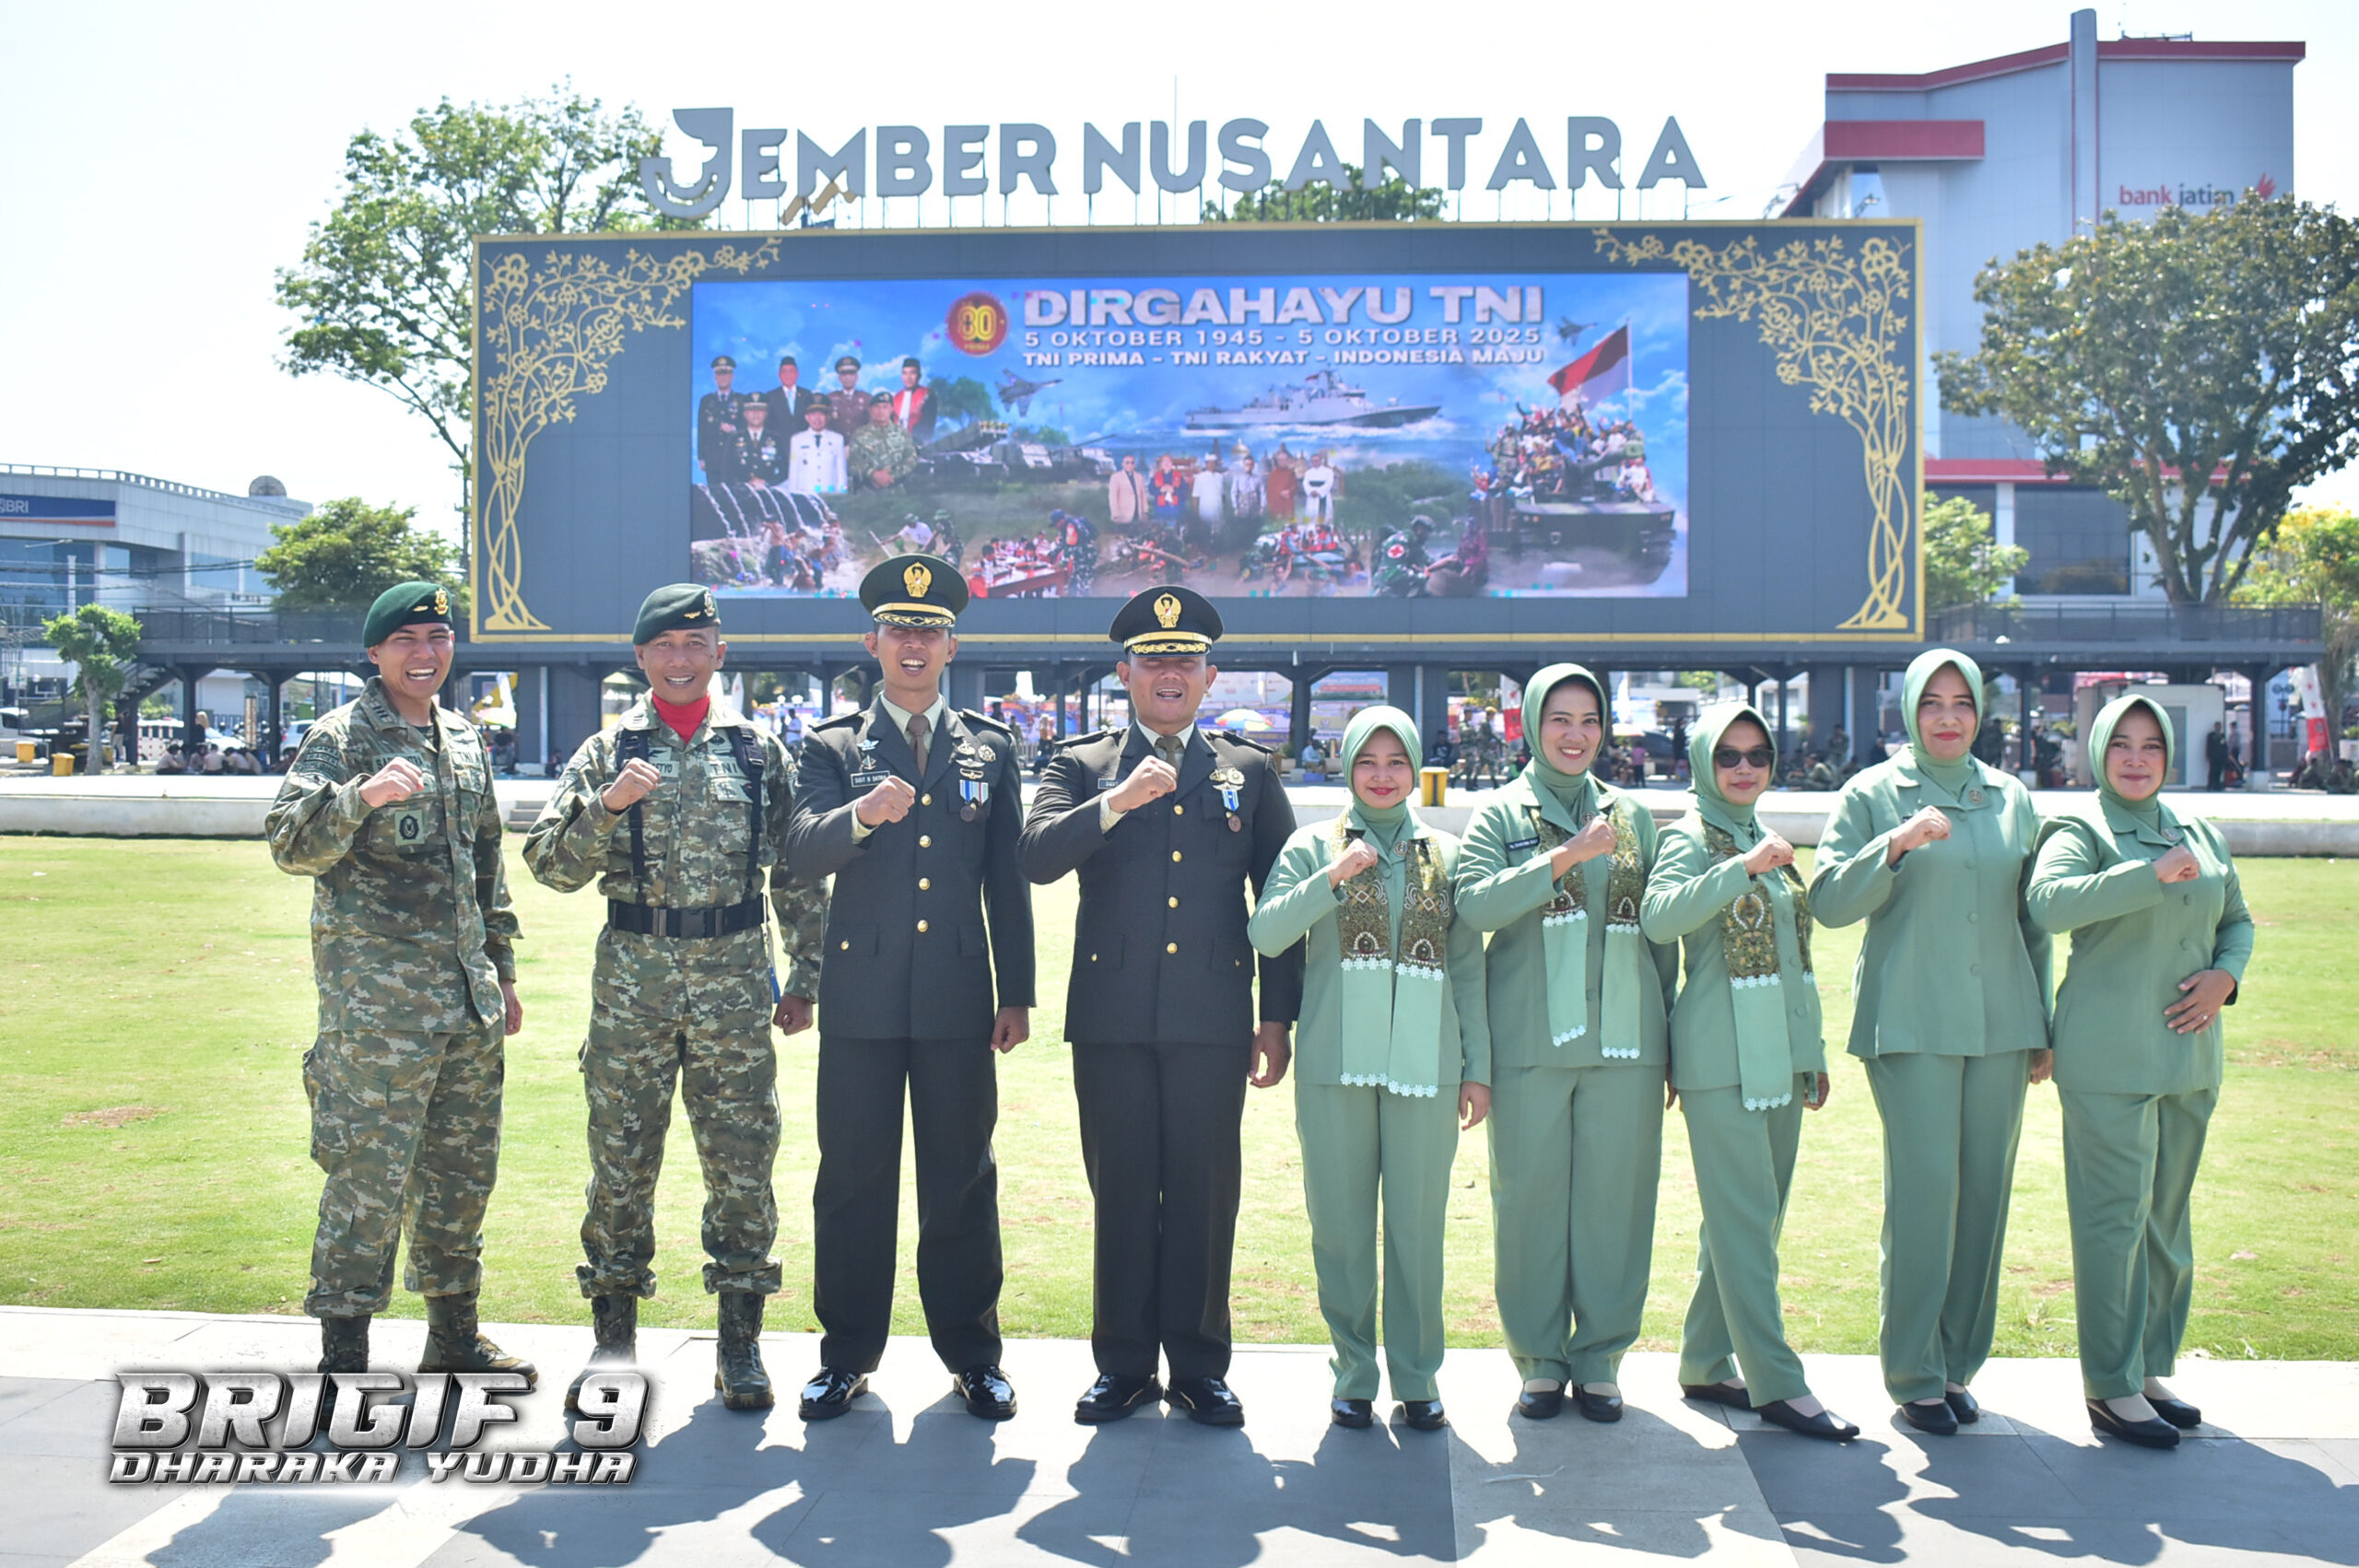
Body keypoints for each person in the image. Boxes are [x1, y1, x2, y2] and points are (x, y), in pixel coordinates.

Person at [522, 584, 825, 1413]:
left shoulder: (760, 752)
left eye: (698, 644)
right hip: (633, 984)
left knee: (742, 1163)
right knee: (620, 1163)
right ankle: (614, 1343)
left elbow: (798, 871)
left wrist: (805, 978)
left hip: (733, 981)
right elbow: (549, 866)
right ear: (642, 659)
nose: (683, 659)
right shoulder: (604, 752)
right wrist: (609, 805)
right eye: (667, 646)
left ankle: (741, 1346)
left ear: (720, 655)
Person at [1020, 586, 1301, 1427]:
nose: (1169, 673)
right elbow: (1034, 857)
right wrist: (1115, 802)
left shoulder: (1245, 771)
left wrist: (1277, 1016)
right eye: (1153, 660)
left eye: (1184, 661)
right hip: (1110, 1018)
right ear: (1126, 673)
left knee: (1205, 1192)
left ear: (1209, 677)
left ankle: (1200, 1366)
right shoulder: (1082, 764)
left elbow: (1280, 901)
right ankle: (1125, 1366)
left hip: (1214, 1018)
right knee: (1124, 1188)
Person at [264, 581, 532, 1400]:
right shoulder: (342, 737)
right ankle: (344, 1356)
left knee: (460, 1176)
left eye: (439, 638)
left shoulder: (463, 739)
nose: (426, 654)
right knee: (367, 1181)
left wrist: (504, 971)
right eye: (408, 639)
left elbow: (485, 867)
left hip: (465, 1005)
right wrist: (362, 796)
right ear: (376, 654)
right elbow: (289, 844)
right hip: (377, 1017)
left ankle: (452, 1337)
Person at [785, 555, 1035, 1422]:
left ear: (952, 644)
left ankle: (973, 1354)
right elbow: (800, 850)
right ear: (873, 642)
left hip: (959, 997)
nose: (915, 645)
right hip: (858, 995)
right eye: (900, 631)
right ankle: (846, 1355)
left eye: (930, 632)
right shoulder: (832, 744)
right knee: (852, 1178)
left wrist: (1017, 990)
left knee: (961, 1176)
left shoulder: (991, 745)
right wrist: (860, 816)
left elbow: (1007, 878)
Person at [1809, 648, 2052, 1434]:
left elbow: (2034, 919)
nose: (1948, 717)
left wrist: (2040, 1023)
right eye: (1932, 703)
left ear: (1981, 712)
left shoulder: (2012, 797)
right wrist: (1897, 843)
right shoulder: (1874, 793)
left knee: (1985, 1196)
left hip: (2001, 1026)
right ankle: (1913, 1372)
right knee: (1925, 1197)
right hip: (1910, 1023)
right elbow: (1830, 902)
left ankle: (1956, 1365)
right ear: (1909, 711)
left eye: (1962, 703)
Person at [1248, 707, 1489, 1433]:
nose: (1382, 777)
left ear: (1417, 771)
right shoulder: (1309, 846)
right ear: (1347, 768)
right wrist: (1331, 878)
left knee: (1418, 1228)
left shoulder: (1445, 856)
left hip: (1427, 1069)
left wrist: (1477, 1068)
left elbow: (1470, 969)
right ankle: (1353, 1373)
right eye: (1367, 763)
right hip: (1334, 1067)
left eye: (1396, 763)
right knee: (1342, 1228)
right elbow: (1265, 932)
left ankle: (1417, 1379)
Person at [2025, 695, 2253, 1450]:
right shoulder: (2078, 827)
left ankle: (2149, 1366)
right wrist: (2147, 875)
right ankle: (2110, 1385)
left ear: (2170, 755)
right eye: (2120, 744)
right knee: (2112, 1221)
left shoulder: (2197, 829)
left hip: (2188, 1058)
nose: (2135, 757)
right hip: (2108, 1058)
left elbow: (2237, 920)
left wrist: (2227, 976)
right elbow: (2050, 904)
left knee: (2165, 1226)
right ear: (2097, 752)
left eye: (2151, 745)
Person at [1454, 663, 1675, 1423]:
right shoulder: (1498, 814)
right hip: (1530, 1041)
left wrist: (1668, 1040)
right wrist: (1564, 857)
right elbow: (1475, 907)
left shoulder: (1633, 814)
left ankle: (1602, 1359)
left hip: (1627, 1045)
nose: (1575, 735)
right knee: (1529, 1205)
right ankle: (1540, 1361)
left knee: (1619, 1202)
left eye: (1588, 720)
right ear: (1528, 725)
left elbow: (1659, 933)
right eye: (1559, 719)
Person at [1643, 707, 1859, 1442]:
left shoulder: (1761, 835)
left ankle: (1706, 1360)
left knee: (1750, 1221)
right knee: (1744, 1224)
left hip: (1780, 1052)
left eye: (1757, 755)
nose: (1743, 767)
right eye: (1728, 756)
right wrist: (1740, 869)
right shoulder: (1687, 838)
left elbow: (1795, 957)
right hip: (1719, 1058)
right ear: (1704, 762)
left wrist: (1812, 1051)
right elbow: (1659, 918)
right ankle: (1776, 1382)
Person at [849, 392, 920, 490]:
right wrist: (873, 474)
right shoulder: (859, 434)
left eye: (885, 407)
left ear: (891, 409)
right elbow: (853, 462)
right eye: (877, 407)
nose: (880, 411)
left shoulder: (902, 433)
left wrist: (891, 476)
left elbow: (911, 459)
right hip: (867, 491)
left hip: (897, 490)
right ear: (871, 409)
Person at [787, 404, 848, 497]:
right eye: (813, 414)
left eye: (821, 414)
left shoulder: (837, 439)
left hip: (830, 494)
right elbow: (794, 471)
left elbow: (841, 471)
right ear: (807, 417)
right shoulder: (797, 440)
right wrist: (793, 496)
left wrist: (843, 495)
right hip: (806, 495)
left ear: (827, 417)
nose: (817, 418)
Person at [698, 356, 744, 479]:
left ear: (732, 376)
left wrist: (734, 428)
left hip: (735, 459)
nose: (723, 378)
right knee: (714, 494)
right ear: (715, 377)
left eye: (726, 374)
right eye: (719, 374)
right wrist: (701, 457)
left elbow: (746, 426)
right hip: (713, 459)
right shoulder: (706, 401)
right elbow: (701, 430)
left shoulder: (741, 400)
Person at [891, 357, 935, 442]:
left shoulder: (927, 394)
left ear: (919, 375)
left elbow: (928, 426)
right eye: (905, 373)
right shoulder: (896, 398)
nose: (908, 377)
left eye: (912, 373)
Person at [765, 356, 816, 427]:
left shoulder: (807, 394)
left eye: (791, 371)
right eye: (784, 371)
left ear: (797, 374)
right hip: (778, 437)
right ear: (779, 375)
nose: (787, 375)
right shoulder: (771, 396)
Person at [827, 355, 868, 437]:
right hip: (835, 447)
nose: (847, 377)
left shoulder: (867, 399)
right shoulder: (830, 399)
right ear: (839, 378)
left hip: (862, 447)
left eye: (851, 374)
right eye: (844, 374)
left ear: (857, 377)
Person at [1109, 453, 1149, 528]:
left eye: (1132, 462)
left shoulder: (1140, 477)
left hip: (1138, 514)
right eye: (1127, 462)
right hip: (1122, 516)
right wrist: (1115, 514)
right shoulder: (1115, 477)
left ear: (1135, 464)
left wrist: (1145, 512)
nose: (1130, 465)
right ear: (1123, 464)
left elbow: (1143, 495)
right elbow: (1112, 498)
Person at [2204, 722, 2230, 793]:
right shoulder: (2211, 736)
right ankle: (2210, 786)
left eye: (2219, 727)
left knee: (2219, 772)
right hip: (2213, 757)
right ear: (2215, 727)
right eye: (2217, 726)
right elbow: (2208, 746)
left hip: (2221, 757)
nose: (2218, 728)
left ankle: (2217, 785)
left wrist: (2226, 756)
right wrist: (2207, 755)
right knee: (2212, 771)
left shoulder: (2222, 736)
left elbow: (2225, 747)